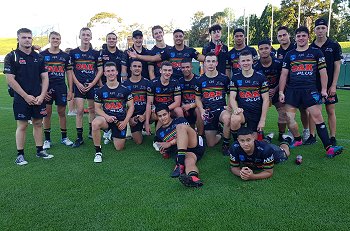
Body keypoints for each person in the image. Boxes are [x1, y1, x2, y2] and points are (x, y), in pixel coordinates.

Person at [279, 26, 343, 158]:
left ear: (308, 37)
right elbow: (284, 75)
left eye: (303, 35)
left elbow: (323, 73)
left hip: (310, 90)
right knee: (289, 118)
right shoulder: (289, 54)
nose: (301, 38)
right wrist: (281, 91)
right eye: (298, 36)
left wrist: (324, 89)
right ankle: (297, 139)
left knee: (317, 117)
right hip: (292, 91)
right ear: (295, 38)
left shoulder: (316, 52)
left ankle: (329, 148)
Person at [4, 28, 53, 165]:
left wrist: (42, 95)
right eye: (24, 37)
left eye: (29, 38)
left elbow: (45, 78)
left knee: (38, 123)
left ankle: (40, 150)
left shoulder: (38, 57)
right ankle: (20, 155)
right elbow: (10, 79)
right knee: (23, 125)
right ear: (18, 39)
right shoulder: (12, 56)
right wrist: (25, 96)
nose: (27, 40)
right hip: (21, 97)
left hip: (38, 97)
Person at [307, 18, 343, 146]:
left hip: (328, 85)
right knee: (313, 111)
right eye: (318, 28)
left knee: (330, 110)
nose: (320, 31)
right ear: (315, 30)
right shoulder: (311, 46)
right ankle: (312, 136)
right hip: (313, 85)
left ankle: (332, 137)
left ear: (326, 29)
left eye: (323, 28)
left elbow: (337, 66)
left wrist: (333, 85)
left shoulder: (334, 45)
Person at [92, 62, 134, 163]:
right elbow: (97, 108)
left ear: (117, 72)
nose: (110, 73)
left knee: (119, 148)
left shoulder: (125, 90)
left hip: (120, 121)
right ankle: (98, 152)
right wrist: (106, 116)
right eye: (108, 71)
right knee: (95, 123)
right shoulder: (100, 91)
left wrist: (125, 122)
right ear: (104, 73)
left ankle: (110, 134)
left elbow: (131, 107)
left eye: (112, 71)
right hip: (106, 119)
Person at [155, 104, 205, 187]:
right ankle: (193, 178)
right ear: (157, 117)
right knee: (189, 161)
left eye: (164, 114)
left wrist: (170, 143)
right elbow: (167, 148)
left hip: (193, 143)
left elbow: (186, 133)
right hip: (185, 152)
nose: (163, 118)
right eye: (160, 116)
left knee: (180, 127)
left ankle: (180, 163)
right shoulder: (159, 132)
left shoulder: (179, 120)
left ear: (169, 113)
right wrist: (164, 151)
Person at [69, 27, 103, 147]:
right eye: (83, 35)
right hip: (79, 85)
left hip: (91, 85)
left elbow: (100, 70)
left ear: (91, 37)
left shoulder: (95, 53)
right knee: (79, 110)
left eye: (88, 35)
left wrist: (93, 83)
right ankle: (79, 137)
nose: (86, 37)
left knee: (92, 109)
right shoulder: (73, 53)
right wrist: (77, 83)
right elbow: (70, 70)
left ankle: (90, 131)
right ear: (80, 36)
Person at [40, 31, 74, 149]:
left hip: (60, 87)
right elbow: (38, 74)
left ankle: (64, 137)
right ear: (49, 39)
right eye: (53, 38)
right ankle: (47, 140)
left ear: (60, 40)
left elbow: (69, 73)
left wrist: (70, 90)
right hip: (47, 87)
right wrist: (42, 91)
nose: (55, 40)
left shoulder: (65, 56)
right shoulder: (42, 55)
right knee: (47, 113)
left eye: (58, 38)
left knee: (61, 112)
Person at [127, 29, 205, 80]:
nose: (178, 38)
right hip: (173, 82)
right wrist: (137, 56)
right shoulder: (168, 51)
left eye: (180, 36)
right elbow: (153, 58)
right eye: (176, 36)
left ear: (184, 37)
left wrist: (215, 57)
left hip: (187, 81)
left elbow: (204, 59)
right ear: (173, 38)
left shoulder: (190, 50)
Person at [276, 26, 310, 141]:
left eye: (284, 35)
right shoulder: (278, 51)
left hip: (299, 84)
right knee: (289, 110)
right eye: (280, 36)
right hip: (286, 86)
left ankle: (306, 130)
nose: (282, 38)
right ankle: (291, 132)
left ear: (289, 35)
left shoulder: (296, 47)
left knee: (303, 109)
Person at [195, 52, 231, 155]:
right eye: (208, 61)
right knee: (211, 144)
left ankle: (226, 144)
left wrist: (229, 106)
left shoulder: (224, 78)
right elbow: (197, 98)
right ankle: (219, 132)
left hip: (221, 110)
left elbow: (230, 95)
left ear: (217, 63)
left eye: (213, 61)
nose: (211, 64)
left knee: (227, 118)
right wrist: (201, 110)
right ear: (204, 63)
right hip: (208, 112)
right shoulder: (200, 80)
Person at [230, 49, 270, 140]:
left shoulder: (261, 77)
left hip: (256, 113)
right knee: (234, 119)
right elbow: (232, 97)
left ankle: (259, 133)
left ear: (252, 61)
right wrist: (236, 109)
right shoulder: (235, 77)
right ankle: (237, 142)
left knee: (254, 142)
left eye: (248, 60)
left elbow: (266, 99)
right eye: (243, 61)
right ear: (239, 62)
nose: (246, 63)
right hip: (243, 112)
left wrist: (262, 120)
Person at [254, 39, 286, 141]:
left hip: (276, 91)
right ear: (258, 51)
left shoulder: (278, 63)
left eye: (266, 48)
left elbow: (283, 78)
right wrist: (265, 91)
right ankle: (260, 132)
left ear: (270, 49)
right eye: (261, 49)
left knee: (283, 113)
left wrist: (276, 89)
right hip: (261, 94)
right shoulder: (255, 66)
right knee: (257, 114)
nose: (264, 51)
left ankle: (281, 135)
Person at [145, 61, 183, 135]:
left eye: (169, 70)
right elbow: (149, 103)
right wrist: (146, 122)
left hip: (169, 109)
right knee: (158, 136)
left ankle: (181, 133)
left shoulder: (175, 82)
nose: (167, 72)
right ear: (160, 71)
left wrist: (164, 111)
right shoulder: (152, 83)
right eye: (165, 70)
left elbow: (177, 102)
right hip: (156, 112)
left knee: (179, 110)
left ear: (172, 72)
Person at [123, 60, 150, 144]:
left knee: (157, 115)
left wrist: (145, 116)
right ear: (130, 68)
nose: (137, 68)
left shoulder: (147, 83)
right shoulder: (124, 84)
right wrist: (129, 119)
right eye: (134, 66)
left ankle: (159, 136)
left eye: (139, 66)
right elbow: (122, 105)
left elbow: (152, 103)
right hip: (133, 116)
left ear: (142, 68)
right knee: (138, 141)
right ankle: (137, 129)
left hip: (147, 113)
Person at [179, 58, 204, 136]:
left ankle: (200, 136)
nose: (185, 69)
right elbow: (177, 97)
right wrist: (183, 105)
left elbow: (203, 98)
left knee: (198, 110)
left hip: (195, 106)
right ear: (180, 68)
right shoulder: (179, 81)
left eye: (187, 67)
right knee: (178, 110)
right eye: (183, 67)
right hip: (184, 107)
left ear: (192, 67)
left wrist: (190, 105)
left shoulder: (198, 80)